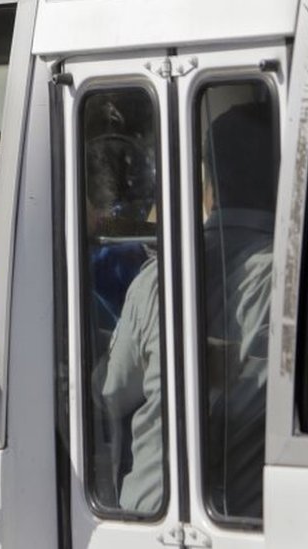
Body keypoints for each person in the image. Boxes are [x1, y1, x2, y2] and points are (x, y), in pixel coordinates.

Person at [101, 101, 276, 515]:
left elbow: (112, 394)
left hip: (145, 518)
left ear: (209, 187)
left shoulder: (156, 278)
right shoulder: (290, 281)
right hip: (254, 523)